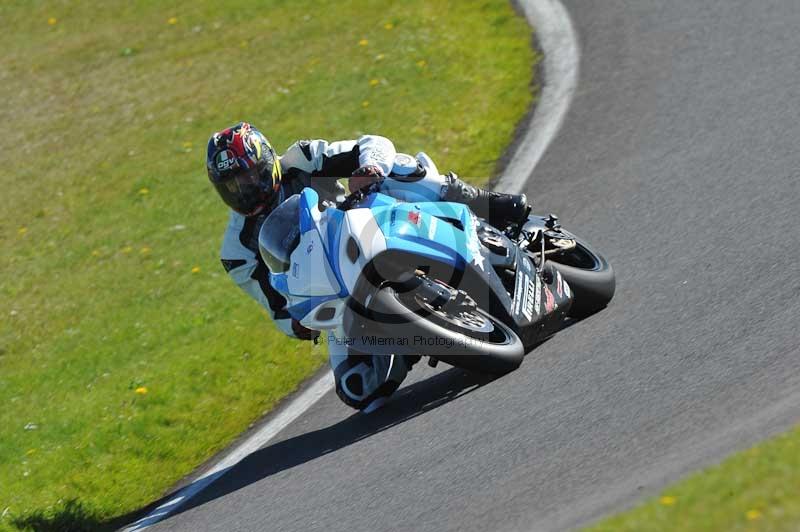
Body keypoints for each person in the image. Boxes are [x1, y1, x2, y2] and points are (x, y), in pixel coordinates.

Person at [207, 122, 528, 412]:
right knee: (358, 388)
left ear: (267, 162)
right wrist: (299, 321)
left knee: (398, 169)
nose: (245, 190)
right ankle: (411, 335)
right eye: (232, 186)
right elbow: (276, 307)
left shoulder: (302, 159)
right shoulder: (237, 251)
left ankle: (487, 202)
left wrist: (370, 168)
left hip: (371, 223)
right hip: (338, 294)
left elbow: (372, 143)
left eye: (249, 177)